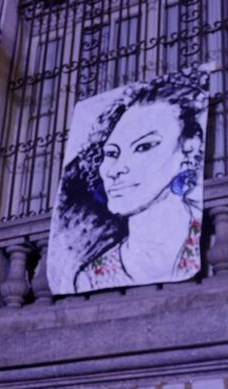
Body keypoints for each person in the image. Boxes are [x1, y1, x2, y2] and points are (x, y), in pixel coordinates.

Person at [47, 69, 208, 294]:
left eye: (144, 147)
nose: (115, 170)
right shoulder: (90, 277)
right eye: (112, 153)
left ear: (188, 149)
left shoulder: (207, 239)